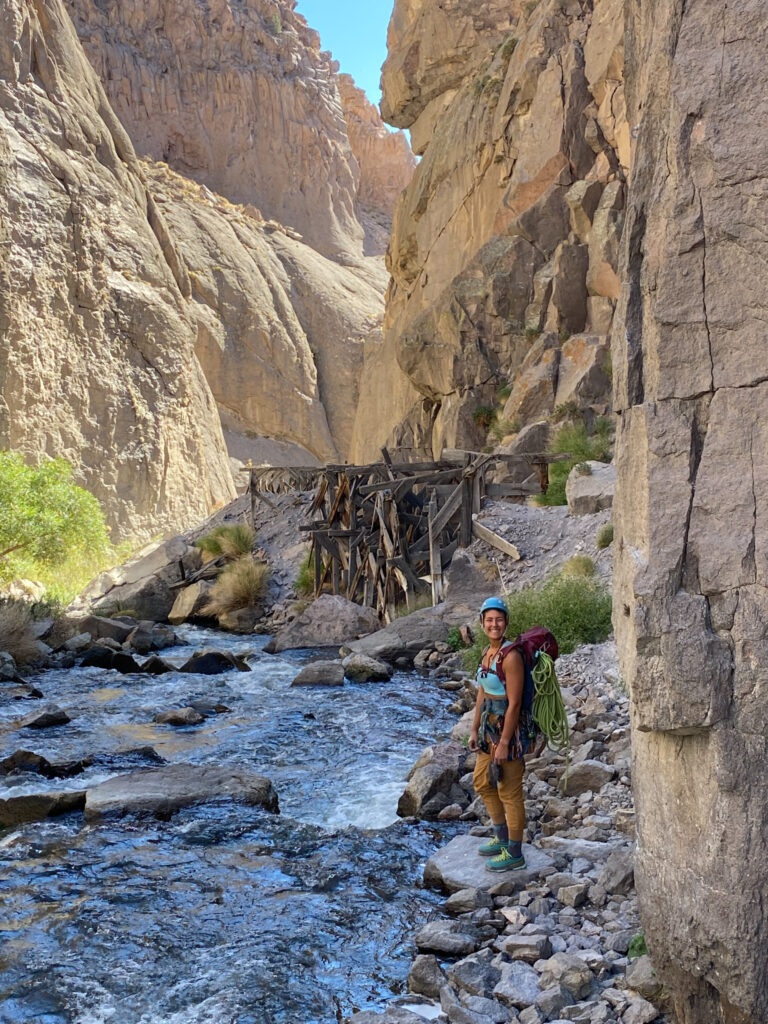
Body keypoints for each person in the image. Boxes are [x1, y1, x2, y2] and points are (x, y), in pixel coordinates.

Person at [468, 597, 527, 871]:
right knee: (482, 782)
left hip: (508, 732)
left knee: (509, 791)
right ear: (482, 623)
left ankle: (515, 853)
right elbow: (482, 692)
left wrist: (504, 742)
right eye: (489, 620)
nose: (494, 624)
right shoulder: (486, 652)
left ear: (506, 622)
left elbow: (514, 703)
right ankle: (501, 839)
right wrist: (473, 727)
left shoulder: (511, 656)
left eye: (499, 619)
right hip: (488, 729)